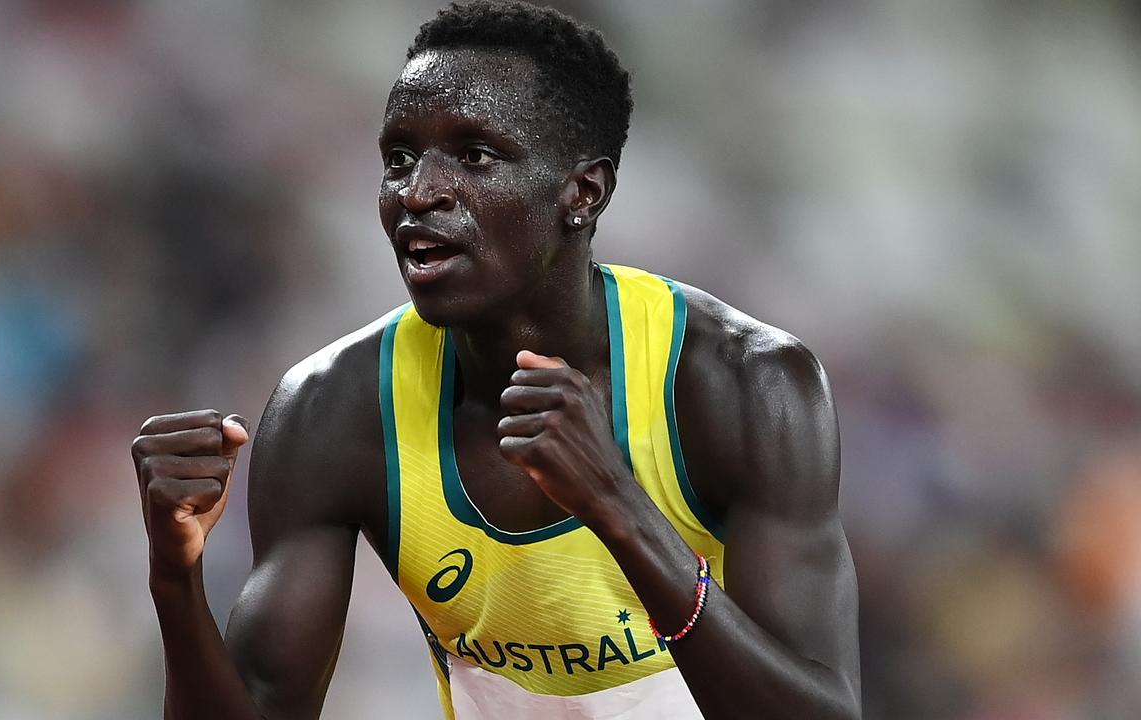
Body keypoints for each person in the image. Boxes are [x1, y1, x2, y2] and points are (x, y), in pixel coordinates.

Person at [130, 2, 860, 718]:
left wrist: (619, 506)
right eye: (399, 158)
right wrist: (174, 575)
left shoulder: (744, 385)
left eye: (475, 155)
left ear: (584, 191)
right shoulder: (334, 411)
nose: (418, 192)